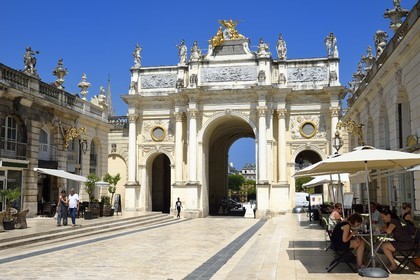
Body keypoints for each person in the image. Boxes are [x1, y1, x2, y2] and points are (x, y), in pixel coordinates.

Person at [379, 207, 414, 272]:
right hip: (405, 242)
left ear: (388, 215)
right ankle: (391, 263)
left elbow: (389, 231)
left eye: (383, 217)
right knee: (385, 244)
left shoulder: (394, 221)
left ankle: (393, 265)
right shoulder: (393, 221)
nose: (382, 219)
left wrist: (382, 228)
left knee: (384, 246)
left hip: (406, 243)